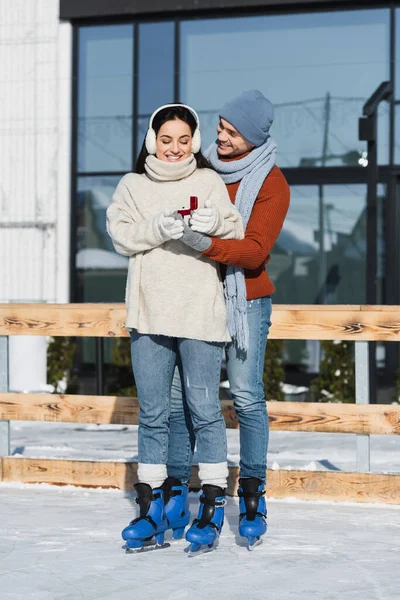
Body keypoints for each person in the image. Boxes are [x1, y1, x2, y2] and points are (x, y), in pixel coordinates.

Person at [106, 104, 243, 553]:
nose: (175, 148)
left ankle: (210, 506)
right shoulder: (133, 186)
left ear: (194, 141)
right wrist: (160, 227)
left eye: (184, 139)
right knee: (153, 415)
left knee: (204, 410)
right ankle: (150, 510)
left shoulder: (207, 182)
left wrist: (213, 222)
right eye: (167, 139)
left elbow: (235, 229)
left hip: (200, 312)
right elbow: (121, 236)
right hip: (148, 313)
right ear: (152, 139)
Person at [167, 90, 290, 549]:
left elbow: (255, 251)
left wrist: (204, 244)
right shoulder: (202, 173)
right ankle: (176, 487)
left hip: (245, 301)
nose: (220, 137)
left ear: (253, 139)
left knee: (245, 396)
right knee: (184, 396)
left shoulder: (271, 183)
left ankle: (253, 492)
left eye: (231, 132)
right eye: (219, 127)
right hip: (196, 297)